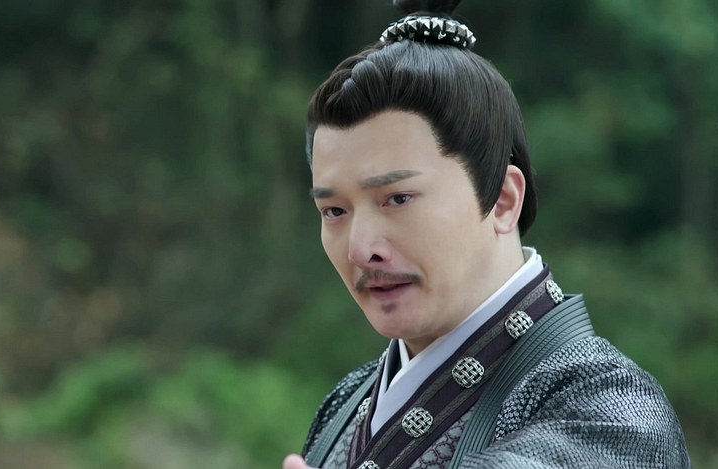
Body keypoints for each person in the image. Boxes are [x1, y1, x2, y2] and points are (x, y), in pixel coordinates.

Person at [282, 0, 692, 468]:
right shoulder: (345, 404)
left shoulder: (614, 412)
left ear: (502, 199)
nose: (360, 249)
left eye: (397, 199)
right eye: (334, 210)